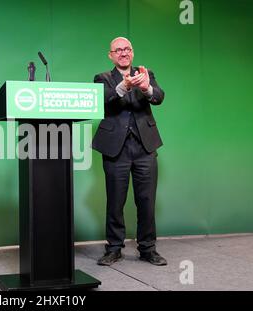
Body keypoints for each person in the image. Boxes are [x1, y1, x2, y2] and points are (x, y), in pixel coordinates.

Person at [92, 37, 167, 266]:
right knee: (115, 201)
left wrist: (146, 87)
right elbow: (102, 99)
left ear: (132, 53)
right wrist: (123, 86)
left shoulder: (146, 73)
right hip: (116, 148)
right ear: (111, 55)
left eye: (127, 49)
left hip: (145, 147)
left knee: (146, 200)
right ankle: (114, 249)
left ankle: (148, 248)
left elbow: (159, 97)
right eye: (118, 50)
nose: (123, 53)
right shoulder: (102, 78)